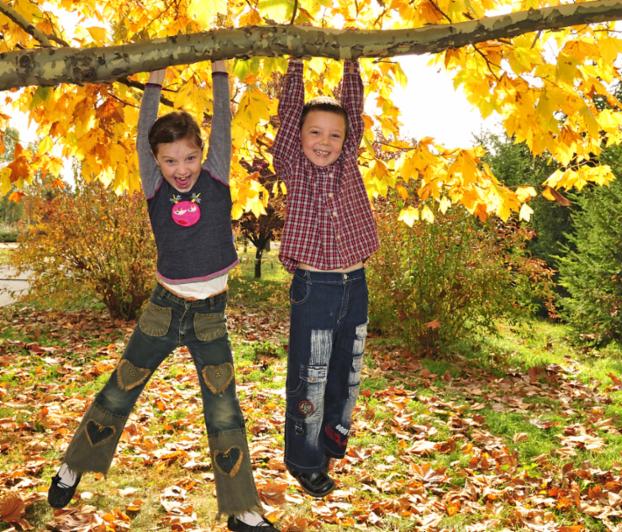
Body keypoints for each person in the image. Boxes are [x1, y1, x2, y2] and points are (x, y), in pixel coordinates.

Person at [47, 61, 277, 532]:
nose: (181, 169)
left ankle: (241, 509)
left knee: (224, 407)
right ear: (157, 162)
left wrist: (220, 74)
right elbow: (139, 138)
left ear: (202, 155)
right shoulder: (154, 186)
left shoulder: (215, 177)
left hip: (211, 317)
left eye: (189, 158)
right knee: (120, 389)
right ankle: (73, 465)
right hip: (162, 310)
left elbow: (224, 122)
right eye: (170, 160)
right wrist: (153, 79)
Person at [272, 57, 378, 498]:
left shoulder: (348, 161)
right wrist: (295, 61)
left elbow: (352, 106)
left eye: (335, 135)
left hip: (355, 283)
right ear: (297, 137)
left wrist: (349, 61)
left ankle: (334, 430)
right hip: (315, 288)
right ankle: (305, 459)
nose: (325, 141)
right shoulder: (293, 166)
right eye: (314, 132)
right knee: (310, 373)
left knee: (346, 368)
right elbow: (289, 109)